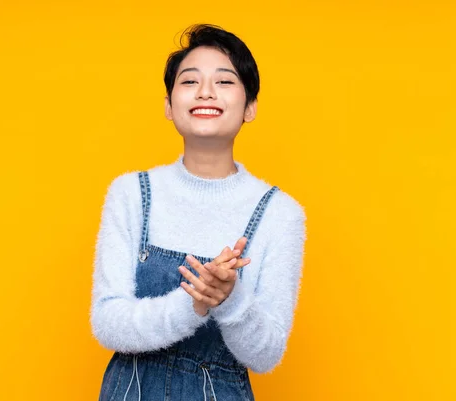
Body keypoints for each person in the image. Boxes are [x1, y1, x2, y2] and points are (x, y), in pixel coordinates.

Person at [90, 24, 307, 401]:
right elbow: (109, 325)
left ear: (250, 107)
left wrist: (231, 298)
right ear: (169, 106)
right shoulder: (131, 193)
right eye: (190, 81)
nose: (206, 91)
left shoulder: (280, 213)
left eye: (224, 82)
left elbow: (266, 354)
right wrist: (195, 303)